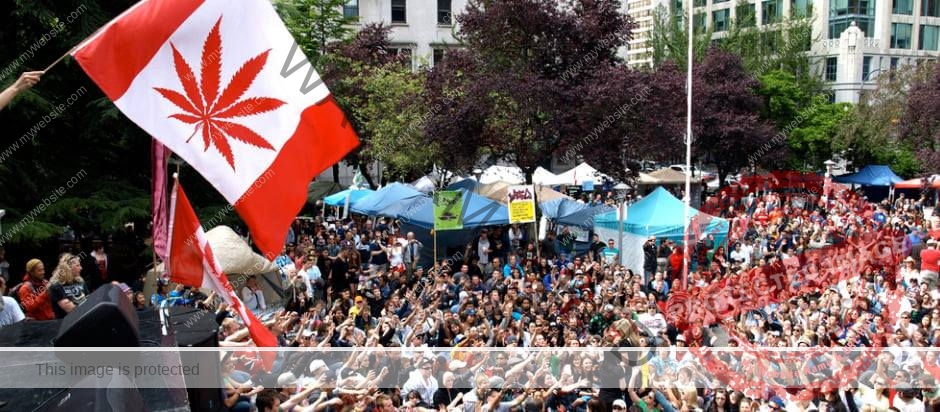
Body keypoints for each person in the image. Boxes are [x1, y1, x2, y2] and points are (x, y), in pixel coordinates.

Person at [48, 253, 89, 319]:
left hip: (85, 318)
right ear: (68, 268)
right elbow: (71, 310)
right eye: (77, 265)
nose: (81, 268)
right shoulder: (56, 286)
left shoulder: (81, 281)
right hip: (67, 323)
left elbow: (89, 300)